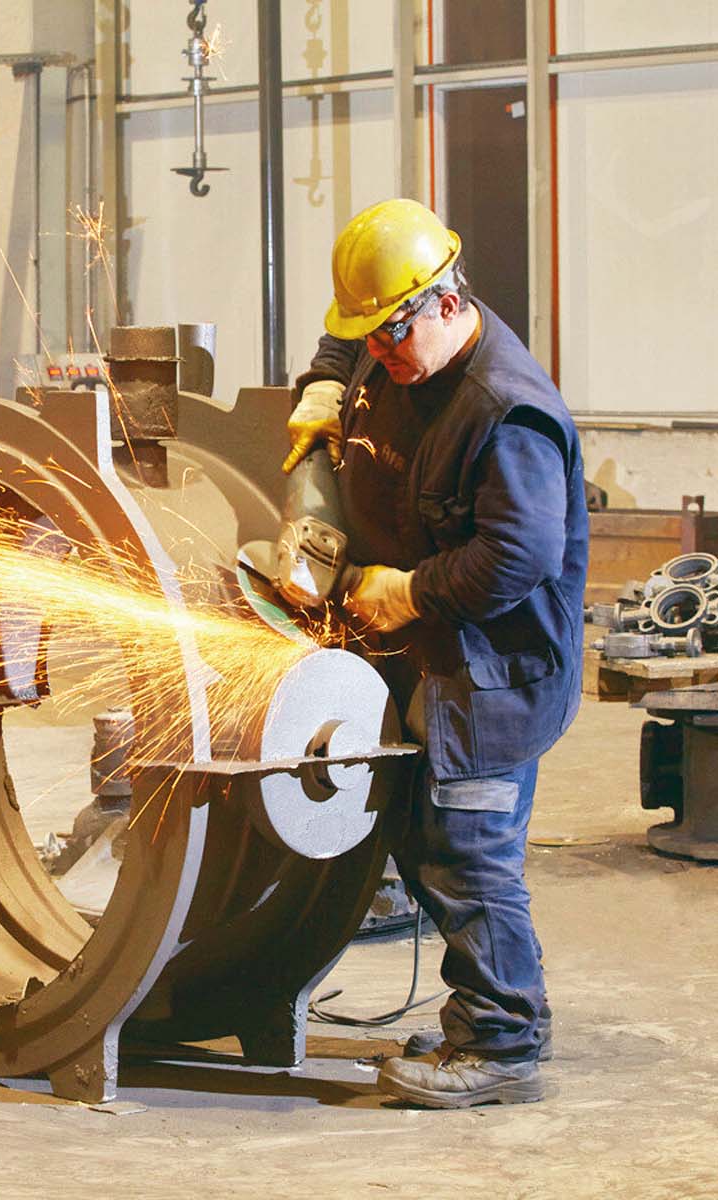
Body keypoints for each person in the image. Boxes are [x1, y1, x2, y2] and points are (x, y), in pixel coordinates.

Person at [282, 198, 588, 1108]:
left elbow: (517, 557)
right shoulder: (394, 338)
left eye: (388, 341)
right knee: (421, 841)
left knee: (467, 851)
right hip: (431, 660)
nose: (378, 356)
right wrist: (323, 381)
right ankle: (477, 1020)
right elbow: (349, 333)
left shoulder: (508, 411)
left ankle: (500, 1043)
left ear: (445, 303)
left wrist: (408, 591)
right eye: (366, 343)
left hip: (494, 677)